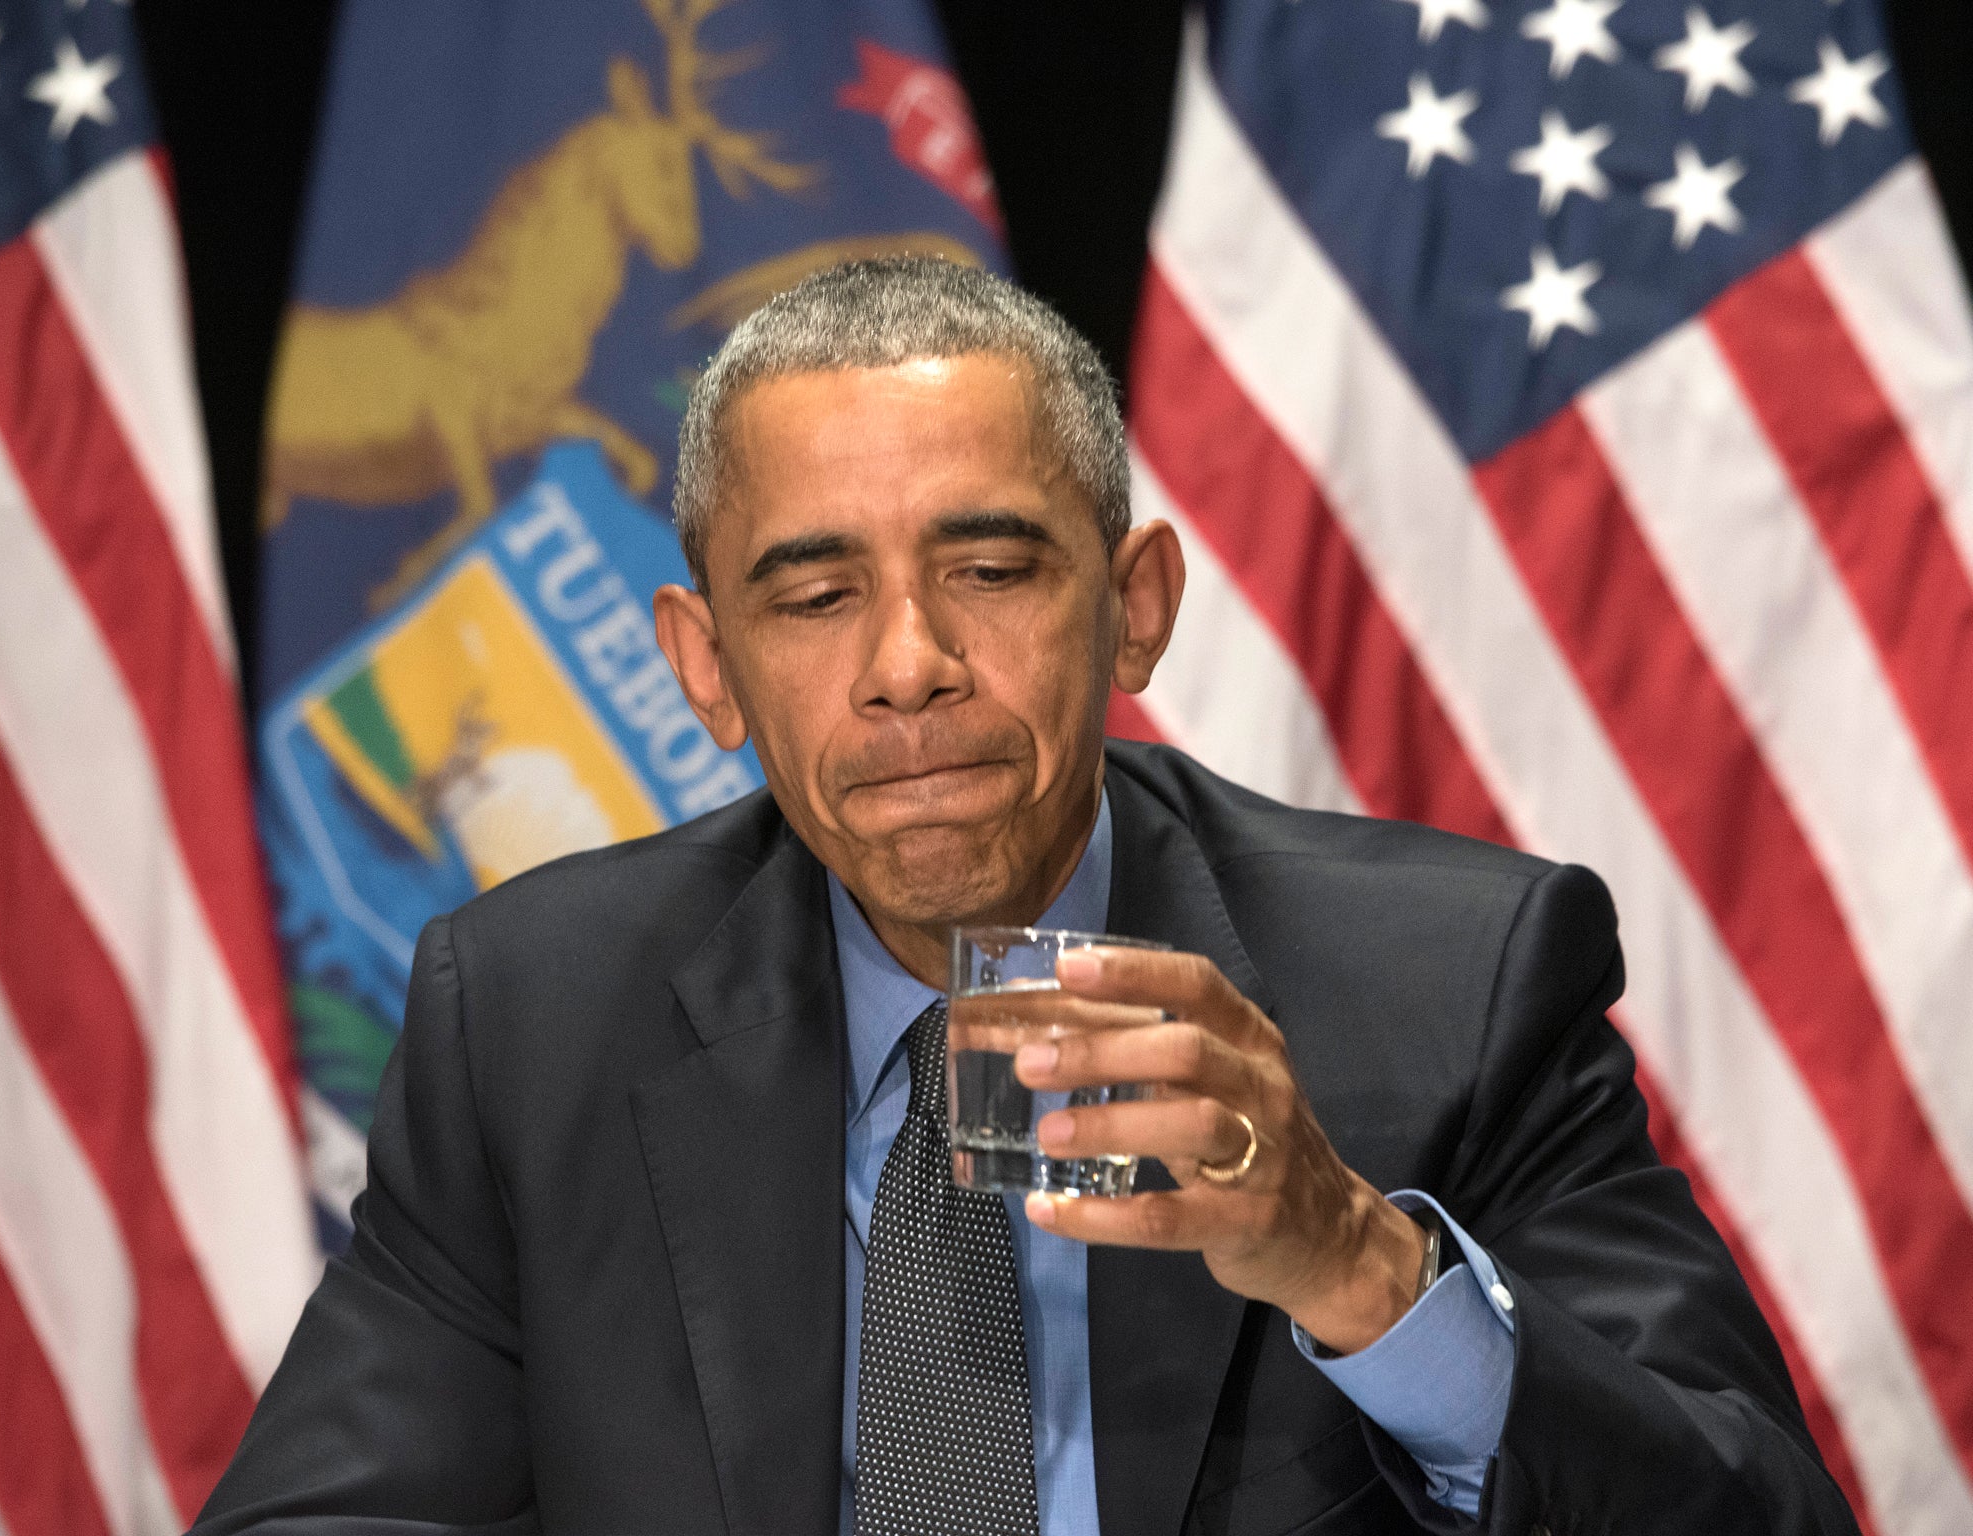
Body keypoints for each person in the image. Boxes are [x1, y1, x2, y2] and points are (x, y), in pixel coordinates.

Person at [197, 259, 1858, 1536]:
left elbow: (1749, 1513)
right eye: (815, 595)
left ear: (1134, 610)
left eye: (990, 572)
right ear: (706, 667)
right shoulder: (537, 1014)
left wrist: (1355, 1263)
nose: (909, 667)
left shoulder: (1452, 986)